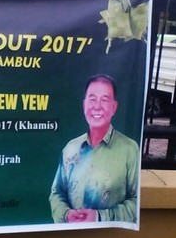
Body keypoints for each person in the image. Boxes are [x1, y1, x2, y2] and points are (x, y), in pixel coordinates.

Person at [49, 74, 140, 223]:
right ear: (84, 105)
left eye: (104, 100)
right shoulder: (71, 148)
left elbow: (136, 201)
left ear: (114, 107)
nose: (97, 106)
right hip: (72, 234)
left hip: (108, 235)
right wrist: (66, 214)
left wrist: (99, 217)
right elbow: (57, 193)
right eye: (92, 99)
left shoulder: (130, 149)